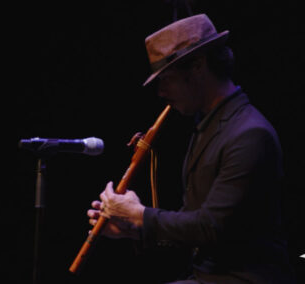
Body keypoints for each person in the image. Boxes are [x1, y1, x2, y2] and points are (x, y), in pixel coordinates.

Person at [87, 14, 295, 283]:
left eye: (166, 79)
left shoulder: (250, 134)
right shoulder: (207, 125)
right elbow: (192, 223)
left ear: (197, 67)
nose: (161, 92)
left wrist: (142, 215)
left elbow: (209, 227)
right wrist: (134, 227)